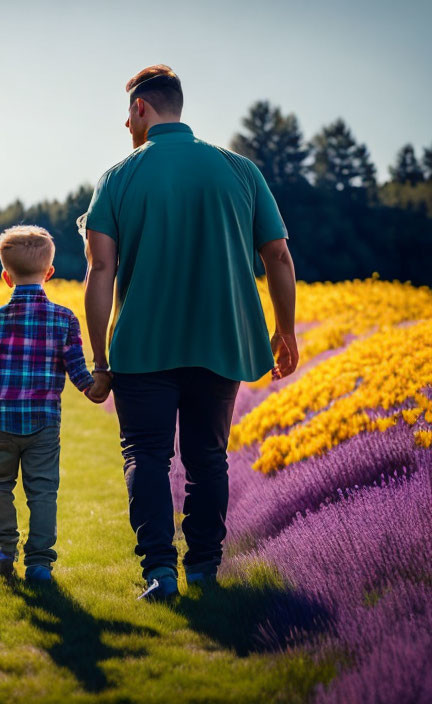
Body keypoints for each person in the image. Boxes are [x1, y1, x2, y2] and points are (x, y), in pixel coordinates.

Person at [82, 65, 298, 601]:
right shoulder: (240, 170)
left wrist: (100, 359)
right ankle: (204, 568)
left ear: (140, 110)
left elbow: (100, 272)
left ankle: (159, 571)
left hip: (142, 347)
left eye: (126, 115)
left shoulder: (117, 177)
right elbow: (278, 255)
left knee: (146, 456)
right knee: (207, 459)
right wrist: (285, 329)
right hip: (220, 340)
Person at [0, 226, 95, 582]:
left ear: (5, 276)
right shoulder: (64, 319)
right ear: (49, 273)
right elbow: (78, 372)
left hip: (1, 422)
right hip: (44, 424)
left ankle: (4, 550)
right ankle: (40, 563)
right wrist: (97, 387)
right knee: (43, 490)